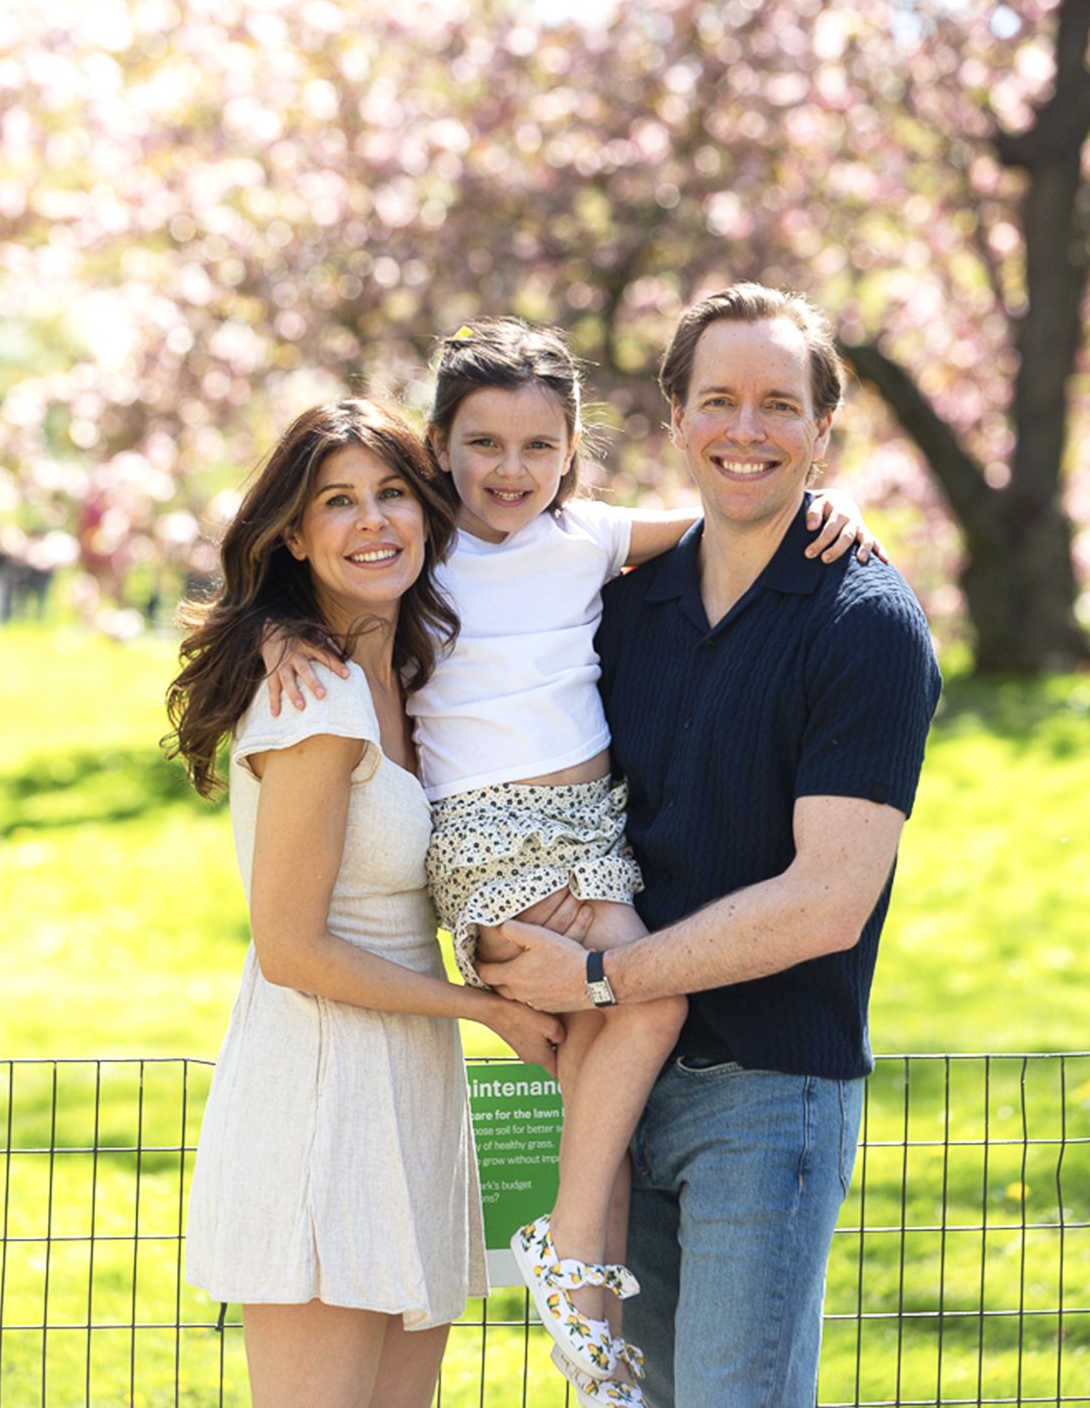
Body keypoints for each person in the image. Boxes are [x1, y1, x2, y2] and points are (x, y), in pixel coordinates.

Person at [267, 318, 879, 1406]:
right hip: (491, 832)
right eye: (482, 445)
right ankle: (573, 1238)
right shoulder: (423, 552)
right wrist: (276, 632)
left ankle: (580, 1282)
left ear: (571, 448)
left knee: (614, 1025)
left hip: (590, 831)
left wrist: (826, 509)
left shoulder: (586, 535)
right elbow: (323, 585)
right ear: (438, 447)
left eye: (537, 447)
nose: (510, 470)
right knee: (640, 1008)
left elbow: (728, 515)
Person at [477, 286, 942, 1408]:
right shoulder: (622, 605)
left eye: (779, 404)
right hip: (613, 1086)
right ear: (675, 413)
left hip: (768, 1093)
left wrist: (600, 974)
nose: (747, 430)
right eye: (719, 399)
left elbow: (825, 900)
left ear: (820, 433)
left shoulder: (863, 622)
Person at [166, 398, 566, 1408]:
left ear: (430, 510)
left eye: (392, 492)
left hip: (408, 1087)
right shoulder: (316, 698)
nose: (372, 520)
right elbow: (291, 946)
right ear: (294, 535)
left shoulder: (407, 679)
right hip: (320, 1093)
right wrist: (484, 1011)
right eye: (336, 502)